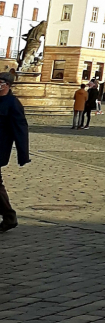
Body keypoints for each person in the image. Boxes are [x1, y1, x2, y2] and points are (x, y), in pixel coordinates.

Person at [0, 70, 30, 232]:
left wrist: (23, 154)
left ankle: (9, 216)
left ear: (7, 85)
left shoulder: (13, 103)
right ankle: (9, 216)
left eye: (0, 82)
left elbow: (21, 129)